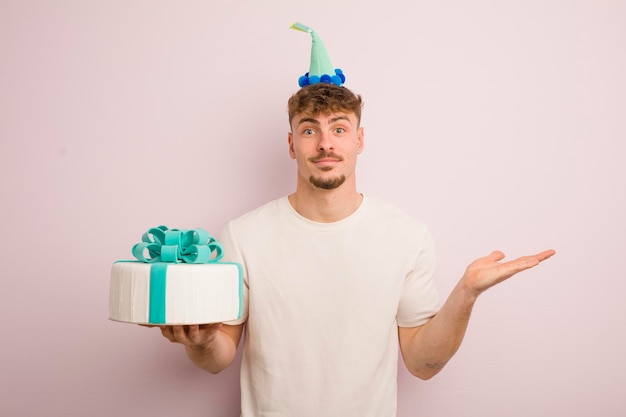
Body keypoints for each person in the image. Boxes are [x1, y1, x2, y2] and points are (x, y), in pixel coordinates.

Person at [157, 24, 556, 417]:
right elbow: (217, 358)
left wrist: (466, 294)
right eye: (309, 129)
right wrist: (201, 341)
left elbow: (421, 362)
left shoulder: (406, 236)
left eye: (339, 128)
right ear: (292, 144)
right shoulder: (244, 235)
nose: (325, 143)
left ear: (359, 141)